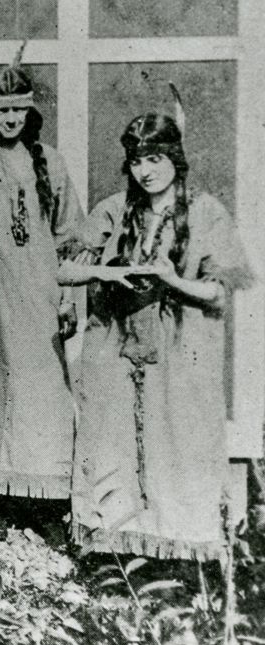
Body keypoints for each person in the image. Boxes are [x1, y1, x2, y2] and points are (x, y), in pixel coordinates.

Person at [61, 112, 253, 560]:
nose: (145, 171)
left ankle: (180, 557)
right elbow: (64, 269)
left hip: (180, 348)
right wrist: (108, 272)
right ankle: (117, 554)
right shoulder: (115, 209)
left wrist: (172, 280)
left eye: (155, 159)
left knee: (177, 444)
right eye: (136, 161)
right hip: (116, 343)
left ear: (174, 158)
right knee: (113, 443)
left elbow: (218, 292)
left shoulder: (204, 212)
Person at [0, 52, 82, 539]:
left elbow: (69, 236)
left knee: (45, 391)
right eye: (0, 110)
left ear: (30, 112)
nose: (10, 118)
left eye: (18, 109)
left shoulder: (50, 161)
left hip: (40, 293)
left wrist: (68, 297)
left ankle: (46, 502)